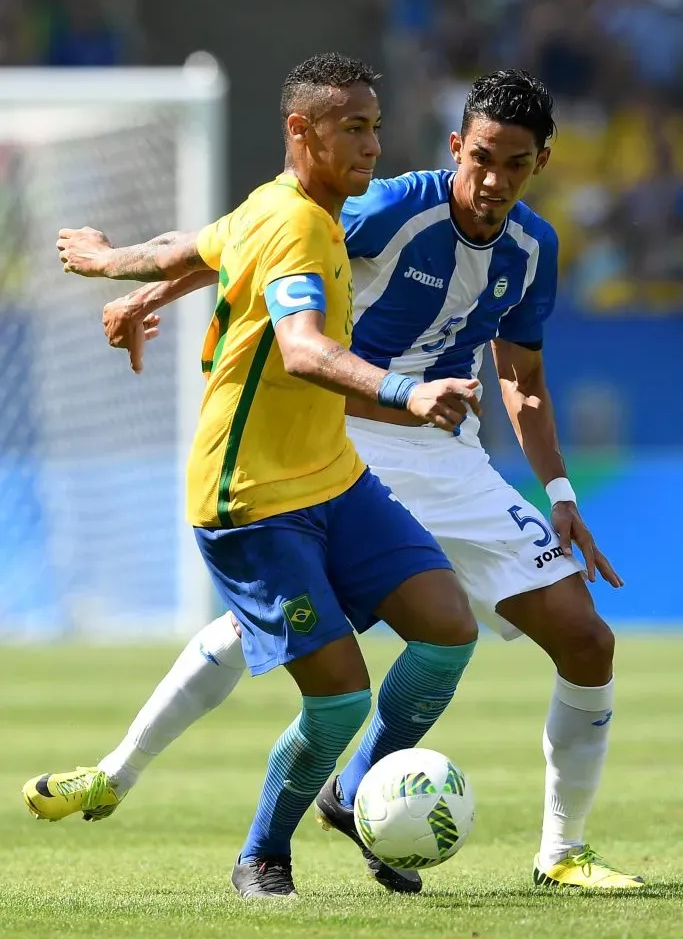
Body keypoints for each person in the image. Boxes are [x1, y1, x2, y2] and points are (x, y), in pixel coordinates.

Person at [23, 69, 643, 891]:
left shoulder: (534, 249)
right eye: (481, 159)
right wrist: (152, 297)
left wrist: (559, 494)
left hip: (448, 452)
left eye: (515, 164)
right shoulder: (389, 207)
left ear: (541, 164)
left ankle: (547, 849)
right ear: (456, 148)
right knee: (263, 634)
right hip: (347, 437)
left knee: (585, 639)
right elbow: (255, 243)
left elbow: (521, 379)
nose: (493, 180)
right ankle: (121, 772)